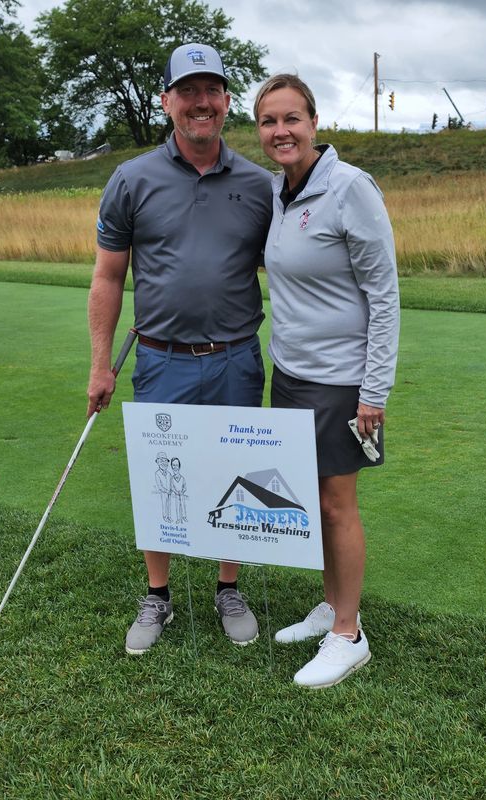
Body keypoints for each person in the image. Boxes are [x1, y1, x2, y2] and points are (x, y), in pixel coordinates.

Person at [87, 43, 272, 655]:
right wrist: (98, 362)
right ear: (166, 101)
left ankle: (228, 588)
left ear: (225, 101)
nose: (201, 102)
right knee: (157, 477)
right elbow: (109, 276)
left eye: (212, 90)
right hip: (161, 358)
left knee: (235, 479)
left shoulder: (257, 182)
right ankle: (158, 595)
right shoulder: (131, 179)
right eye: (187, 91)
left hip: (236, 357)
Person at [253, 74, 400, 688]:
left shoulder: (348, 187)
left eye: (292, 119)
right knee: (312, 502)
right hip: (290, 374)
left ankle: (349, 635)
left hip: (342, 382)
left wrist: (375, 390)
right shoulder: (277, 191)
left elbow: (384, 294)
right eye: (269, 122)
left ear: (313, 123)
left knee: (338, 506)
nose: (281, 131)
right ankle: (334, 603)